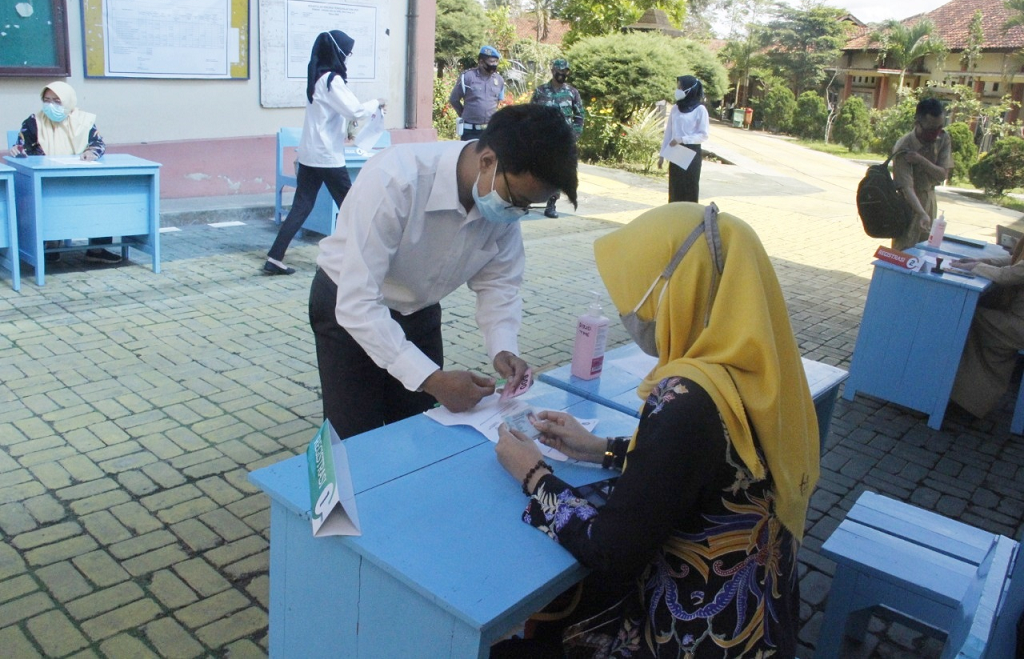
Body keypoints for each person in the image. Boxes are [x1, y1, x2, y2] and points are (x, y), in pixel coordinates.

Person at [494, 202, 819, 658]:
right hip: (761, 621)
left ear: (680, 288)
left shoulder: (686, 398)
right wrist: (600, 450)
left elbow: (610, 550)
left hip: (694, 637)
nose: (632, 311)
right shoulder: (763, 369)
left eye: (640, 293)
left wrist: (533, 475)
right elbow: (711, 468)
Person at [309, 104, 578, 439]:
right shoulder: (396, 179)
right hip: (346, 307)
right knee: (354, 436)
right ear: (487, 161)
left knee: (416, 430)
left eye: (528, 206)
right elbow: (357, 303)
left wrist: (503, 348)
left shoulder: (500, 205)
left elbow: (499, 283)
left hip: (418, 310)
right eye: (518, 199)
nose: (518, 212)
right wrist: (433, 380)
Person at [263, 30, 383, 276]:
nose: (348, 58)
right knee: (350, 205)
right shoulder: (331, 81)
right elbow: (355, 111)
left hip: (309, 154)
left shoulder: (316, 78)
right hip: (327, 156)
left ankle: (274, 257)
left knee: (301, 206)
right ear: (337, 53)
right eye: (347, 53)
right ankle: (361, 257)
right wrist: (376, 103)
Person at [9, 82, 120, 264]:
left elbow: (98, 144)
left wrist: (91, 152)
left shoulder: (84, 121)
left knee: (100, 197)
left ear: (68, 102)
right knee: (47, 200)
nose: (51, 105)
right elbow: (23, 147)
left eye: (57, 101)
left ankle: (97, 249)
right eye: (46, 100)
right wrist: (17, 150)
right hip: (46, 180)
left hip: (79, 177)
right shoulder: (33, 121)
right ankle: (52, 245)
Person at [949, 237, 1024, 420]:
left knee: (966, 317)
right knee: (977, 315)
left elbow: (1008, 276)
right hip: (1016, 322)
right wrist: (983, 262)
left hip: (1018, 326)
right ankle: (967, 396)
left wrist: (974, 267)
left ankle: (964, 397)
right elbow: (1015, 264)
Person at [890, 97, 953, 251]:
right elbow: (906, 188)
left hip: (930, 199)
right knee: (904, 251)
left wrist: (920, 160)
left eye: (940, 127)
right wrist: (921, 213)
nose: (936, 134)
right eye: (931, 129)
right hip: (908, 204)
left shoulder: (943, 138)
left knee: (926, 250)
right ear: (917, 124)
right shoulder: (904, 146)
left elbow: (942, 175)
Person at [530, 59, 585, 219]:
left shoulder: (572, 92)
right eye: (559, 71)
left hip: (562, 140)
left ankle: (551, 204)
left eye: (565, 72)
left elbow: (580, 115)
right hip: (542, 139)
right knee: (537, 170)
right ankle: (528, 199)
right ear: (553, 71)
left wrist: (574, 135)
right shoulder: (541, 91)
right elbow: (531, 113)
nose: (562, 75)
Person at [657, 75, 710, 203]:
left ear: (689, 89)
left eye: (681, 87)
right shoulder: (676, 108)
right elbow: (668, 133)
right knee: (676, 189)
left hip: (691, 153)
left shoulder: (700, 110)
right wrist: (662, 155)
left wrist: (682, 139)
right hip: (676, 152)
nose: (678, 89)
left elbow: (703, 135)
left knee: (689, 188)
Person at [449, 45, 505, 142]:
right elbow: (454, 99)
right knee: (470, 156)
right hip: (470, 131)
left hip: (490, 131)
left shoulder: (499, 80)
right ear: (481, 62)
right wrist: (464, 114)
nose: (494, 65)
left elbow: (498, 102)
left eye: (496, 62)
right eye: (491, 62)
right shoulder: (467, 77)